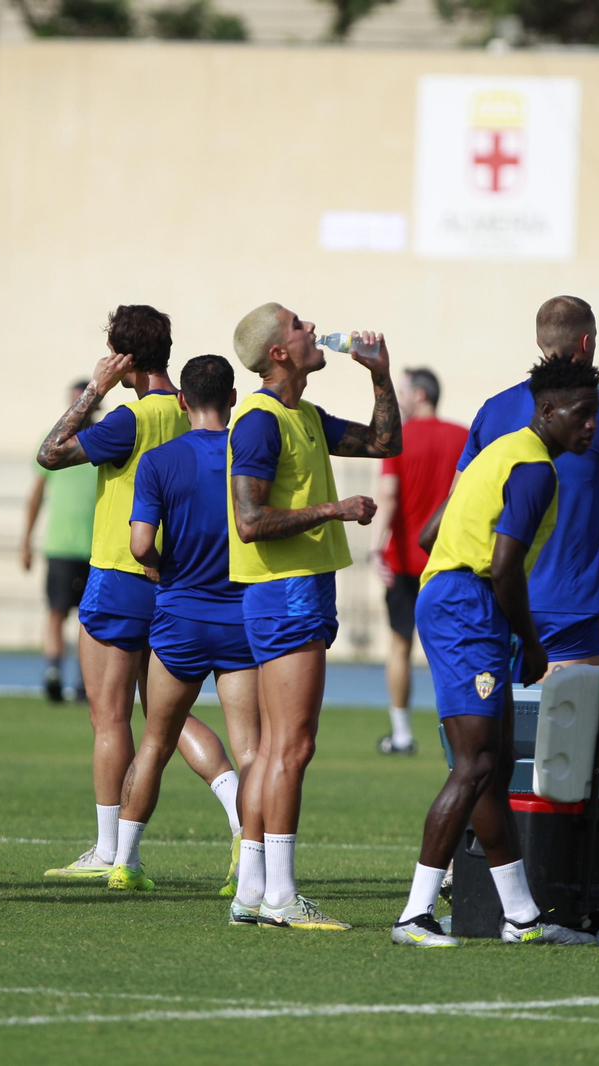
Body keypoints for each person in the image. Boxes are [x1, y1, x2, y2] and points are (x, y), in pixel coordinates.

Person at [393, 359, 599, 948]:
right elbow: (506, 567)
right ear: (548, 411)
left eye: (595, 415)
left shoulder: (501, 449)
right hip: (469, 604)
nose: (590, 426)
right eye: (581, 415)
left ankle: (521, 917)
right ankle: (414, 916)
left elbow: (429, 535)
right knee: (475, 766)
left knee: (494, 766)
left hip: (459, 598)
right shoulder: (535, 469)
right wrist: (533, 644)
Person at [37, 306, 244, 881]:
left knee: (110, 718)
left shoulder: (129, 418)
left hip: (122, 576)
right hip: (179, 580)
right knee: (165, 717)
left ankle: (110, 851)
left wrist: (93, 392)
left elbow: (51, 453)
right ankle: (237, 811)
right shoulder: (190, 409)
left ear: (121, 356)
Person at [227, 303, 400, 930]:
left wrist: (380, 376)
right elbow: (251, 524)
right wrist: (333, 510)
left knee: (276, 748)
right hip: (285, 591)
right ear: (279, 351)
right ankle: (280, 896)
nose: (311, 329)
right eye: (299, 325)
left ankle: (253, 891)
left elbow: (385, 443)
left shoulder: (304, 416)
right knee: (293, 749)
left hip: (300, 589)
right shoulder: (259, 422)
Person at [431, 296, 599, 674]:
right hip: (569, 604)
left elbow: (454, 503)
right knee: (571, 729)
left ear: (540, 342)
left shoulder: (493, 409)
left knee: (498, 727)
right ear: (587, 343)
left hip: (495, 595)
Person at [109, 355, 261, 899]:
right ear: (235, 397)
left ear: (181, 401)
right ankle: (248, 868)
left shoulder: (159, 461)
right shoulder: (251, 453)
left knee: (155, 742)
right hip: (241, 619)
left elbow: (140, 544)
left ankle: (124, 861)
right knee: (251, 752)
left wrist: (160, 566)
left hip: (179, 619)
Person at [370, 368, 467, 756]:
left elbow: (389, 495)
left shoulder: (398, 438)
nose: (401, 398)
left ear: (422, 395)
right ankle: (463, 735)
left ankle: (402, 734)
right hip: (448, 561)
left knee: (398, 648)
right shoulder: (462, 438)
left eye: (405, 391)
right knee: (454, 650)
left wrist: (377, 546)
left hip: (405, 564)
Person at [22, 381, 99, 702]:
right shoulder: (53, 442)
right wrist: (25, 540)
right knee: (56, 611)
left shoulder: (103, 439)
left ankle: (85, 679)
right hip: (61, 545)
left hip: (98, 546)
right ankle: (53, 671)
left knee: (90, 616)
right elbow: (36, 495)